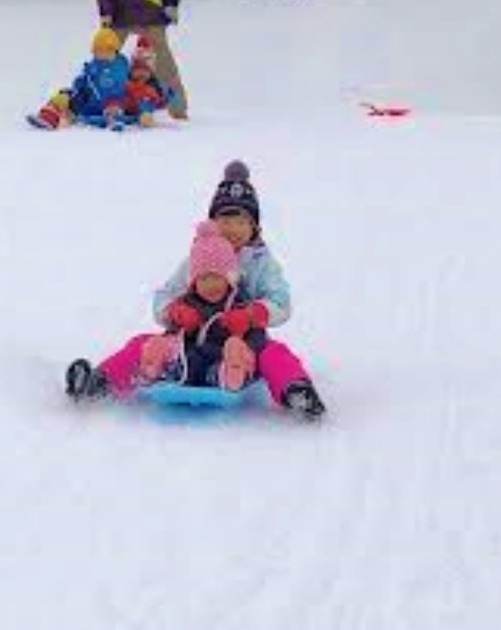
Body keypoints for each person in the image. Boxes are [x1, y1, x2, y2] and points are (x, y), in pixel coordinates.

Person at [66, 160, 326, 419]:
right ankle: (98, 383)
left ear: (254, 226)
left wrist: (253, 314)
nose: (232, 229)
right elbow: (165, 294)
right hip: (189, 344)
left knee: (274, 354)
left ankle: (296, 392)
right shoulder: (197, 257)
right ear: (213, 223)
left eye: (241, 222)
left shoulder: (261, 263)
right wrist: (174, 311)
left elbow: (281, 302)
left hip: (242, 344)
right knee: (140, 345)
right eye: (225, 220)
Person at [130, 221, 272, 392]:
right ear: (193, 282)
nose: (211, 285)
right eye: (204, 279)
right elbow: (174, 331)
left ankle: (231, 373)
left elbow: (259, 335)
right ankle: (154, 367)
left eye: (217, 277)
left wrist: (247, 333)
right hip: (193, 356)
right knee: (168, 347)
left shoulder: (240, 304)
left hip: (222, 358)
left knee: (235, 350)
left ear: (230, 279)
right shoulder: (188, 303)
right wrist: (176, 316)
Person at [29, 27, 131, 130]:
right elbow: (83, 79)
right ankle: (48, 116)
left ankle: (114, 120)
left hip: (108, 102)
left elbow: (116, 85)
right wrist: (79, 85)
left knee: (113, 104)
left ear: (114, 50)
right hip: (89, 101)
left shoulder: (120, 65)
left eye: (105, 51)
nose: (101, 55)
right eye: (98, 51)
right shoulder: (93, 65)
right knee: (65, 94)